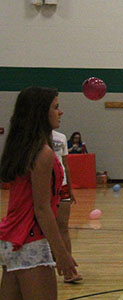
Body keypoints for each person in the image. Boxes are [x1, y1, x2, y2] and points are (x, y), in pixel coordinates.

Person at [0, 86, 78, 299]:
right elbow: (42, 208)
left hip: (11, 239)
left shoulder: (21, 149)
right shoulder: (42, 154)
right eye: (55, 107)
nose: (60, 112)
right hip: (31, 239)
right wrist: (61, 253)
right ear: (40, 113)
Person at [52, 130, 84, 284]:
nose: (60, 112)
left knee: (63, 226)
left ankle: (69, 271)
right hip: (45, 186)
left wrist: (70, 188)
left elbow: (65, 164)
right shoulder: (34, 135)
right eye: (55, 108)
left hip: (62, 185)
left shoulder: (61, 137)